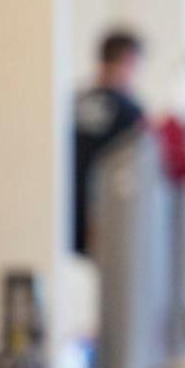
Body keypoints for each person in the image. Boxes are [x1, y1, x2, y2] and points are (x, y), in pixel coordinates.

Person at [72, 29, 145, 256]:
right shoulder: (130, 113)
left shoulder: (73, 103)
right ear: (128, 61)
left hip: (65, 218)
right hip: (107, 224)